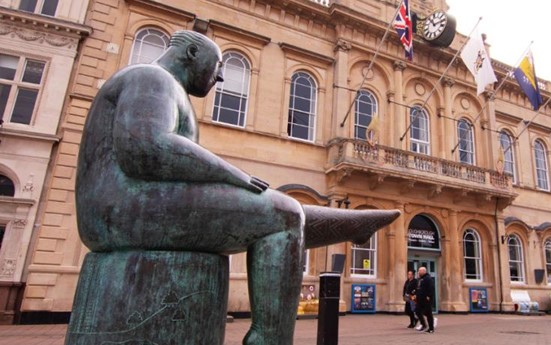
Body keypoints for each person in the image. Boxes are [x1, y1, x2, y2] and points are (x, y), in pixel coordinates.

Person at [75, 30, 399, 344]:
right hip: (117, 210)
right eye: (218, 67)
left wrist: (232, 181)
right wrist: (235, 176)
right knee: (284, 215)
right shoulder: (151, 78)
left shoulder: (166, 88)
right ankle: (269, 340)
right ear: (192, 53)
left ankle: (351, 225)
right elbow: (146, 149)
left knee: (282, 209)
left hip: (136, 207)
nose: (220, 78)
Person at [415, 267, 435, 333]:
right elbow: (419, 288)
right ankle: (423, 324)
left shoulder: (428, 278)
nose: (418, 272)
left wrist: (429, 296)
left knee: (428, 313)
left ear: (423, 271)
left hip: (426, 299)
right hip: (420, 299)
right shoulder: (420, 279)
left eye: (419, 271)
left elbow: (431, 288)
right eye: (418, 271)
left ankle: (431, 328)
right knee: (417, 311)